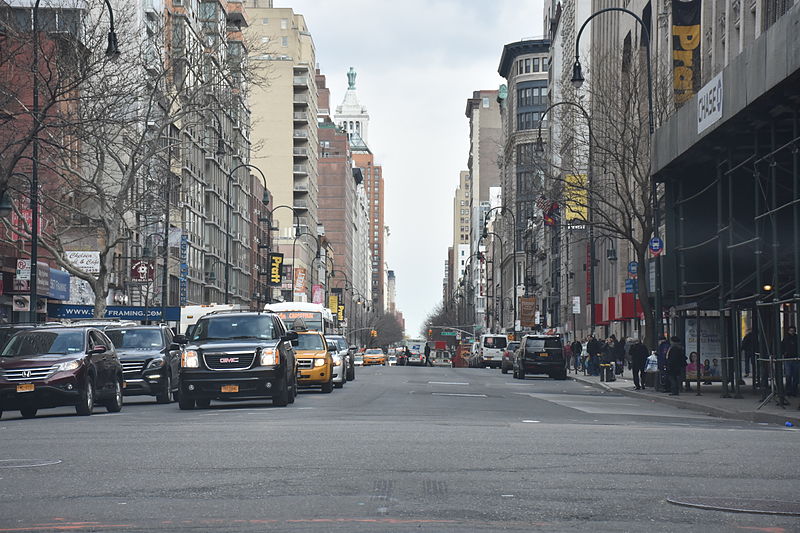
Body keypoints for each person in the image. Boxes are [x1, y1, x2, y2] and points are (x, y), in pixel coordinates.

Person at [782, 326, 798, 397]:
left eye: (793, 331)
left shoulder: (795, 338)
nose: (792, 332)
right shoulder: (786, 338)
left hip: (793, 359)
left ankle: (792, 390)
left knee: (795, 375)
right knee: (789, 375)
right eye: (791, 331)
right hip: (789, 358)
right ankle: (789, 390)